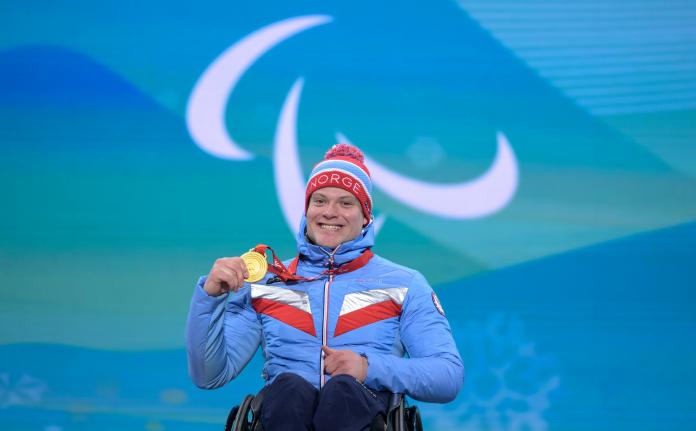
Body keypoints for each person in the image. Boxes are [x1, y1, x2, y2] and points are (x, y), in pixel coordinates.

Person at [186, 144, 464, 431]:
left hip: (366, 413)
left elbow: (447, 376)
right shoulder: (268, 283)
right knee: (289, 388)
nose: (330, 212)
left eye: (346, 203)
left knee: (343, 392)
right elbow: (209, 375)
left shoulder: (405, 284)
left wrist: (369, 369)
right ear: (307, 210)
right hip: (284, 413)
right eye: (319, 201)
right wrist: (210, 297)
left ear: (366, 216)